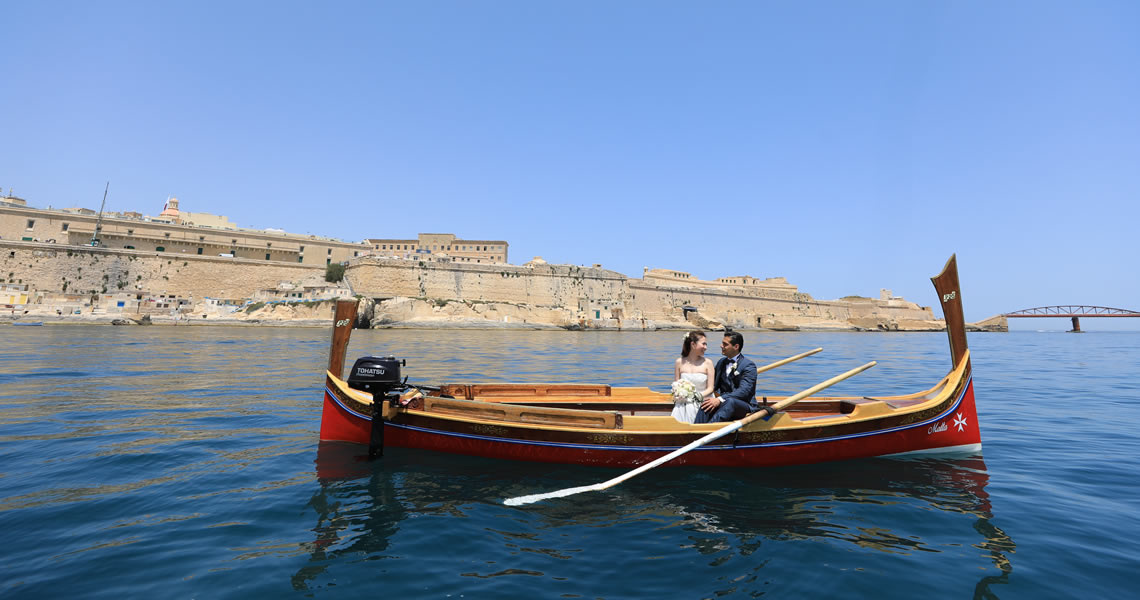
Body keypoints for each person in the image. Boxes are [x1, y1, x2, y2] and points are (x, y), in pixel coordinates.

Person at [695, 330, 758, 423]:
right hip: (724, 401)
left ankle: (708, 430)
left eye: (725, 344)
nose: (721, 346)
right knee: (707, 402)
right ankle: (697, 429)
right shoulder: (721, 362)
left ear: (736, 347)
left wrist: (720, 399)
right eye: (722, 343)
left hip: (744, 404)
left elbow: (744, 391)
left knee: (730, 402)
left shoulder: (749, 365)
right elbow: (713, 385)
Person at [671, 331, 715, 423]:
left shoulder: (708, 363)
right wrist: (680, 394)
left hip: (703, 400)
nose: (705, 347)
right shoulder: (679, 362)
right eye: (703, 344)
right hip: (684, 401)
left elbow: (711, 388)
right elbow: (676, 385)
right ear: (693, 344)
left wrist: (697, 396)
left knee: (691, 407)